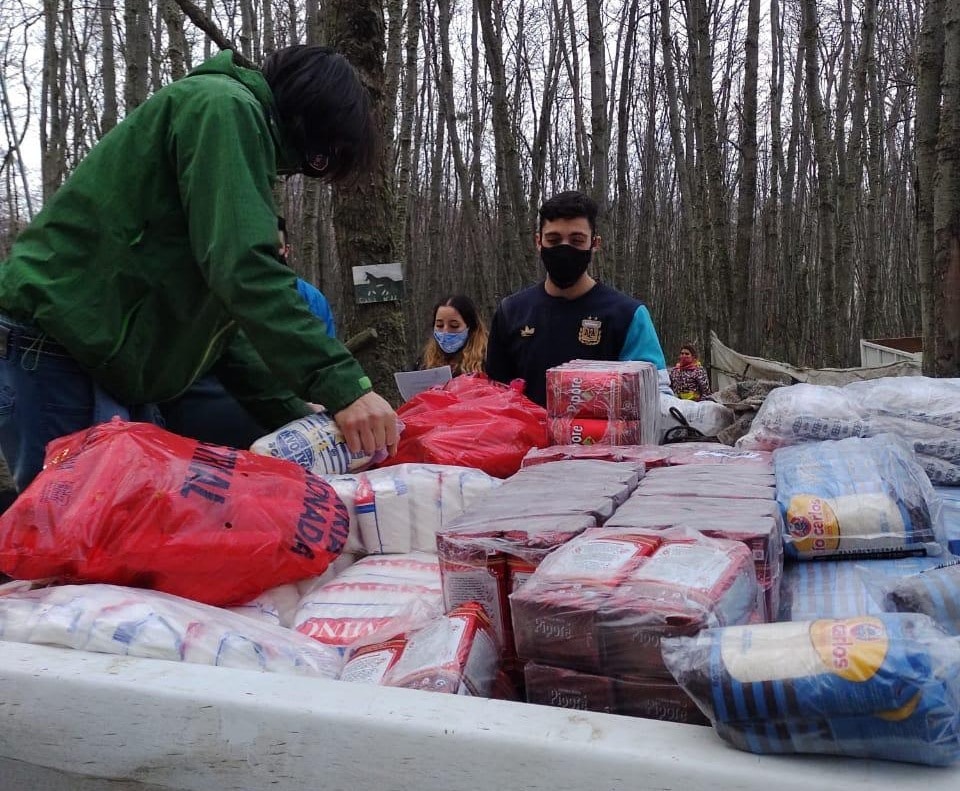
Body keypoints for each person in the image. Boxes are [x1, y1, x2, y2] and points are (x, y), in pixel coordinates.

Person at [0, 45, 397, 492]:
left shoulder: (234, 130)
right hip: (59, 351)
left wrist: (295, 415)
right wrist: (346, 387)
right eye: (319, 158)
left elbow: (225, 333)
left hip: (111, 366)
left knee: (133, 529)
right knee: (76, 537)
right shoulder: (223, 108)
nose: (304, 169)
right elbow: (245, 269)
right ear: (309, 118)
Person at [158, 216, 338, 449]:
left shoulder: (308, 297)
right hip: (202, 426)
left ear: (286, 249)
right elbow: (238, 358)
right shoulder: (214, 289)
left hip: (283, 413)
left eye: (274, 247)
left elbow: (321, 356)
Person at [485, 190, 669, 406]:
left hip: (604, 439)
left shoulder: (628, 316)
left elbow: (656, 398)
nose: (564, 249)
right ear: (538, 242)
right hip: (524, 438)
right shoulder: (511, 312)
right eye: (553, 240)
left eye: (577, 240)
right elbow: (494, 397)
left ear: (595, 243)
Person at [420, 295, 488, 376]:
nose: (445, 331)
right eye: (439, 325)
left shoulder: (489, 359)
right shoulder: (425, 362)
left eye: (454, 326)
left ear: (470, 327)